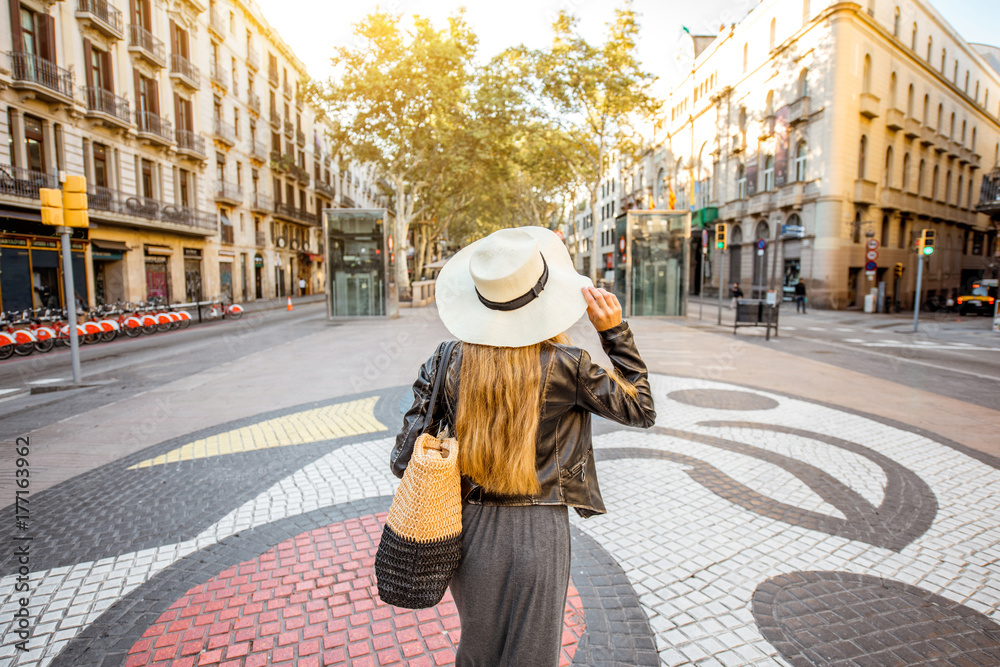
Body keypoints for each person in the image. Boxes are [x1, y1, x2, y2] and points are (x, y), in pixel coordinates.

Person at [391, 226, 656, 666]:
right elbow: (641, 408)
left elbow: (405, 455)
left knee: (477, 649)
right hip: (539, 530)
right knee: (532, 655)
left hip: (464, 526)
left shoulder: (446, 359)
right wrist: (615, 334)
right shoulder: (567, 364)